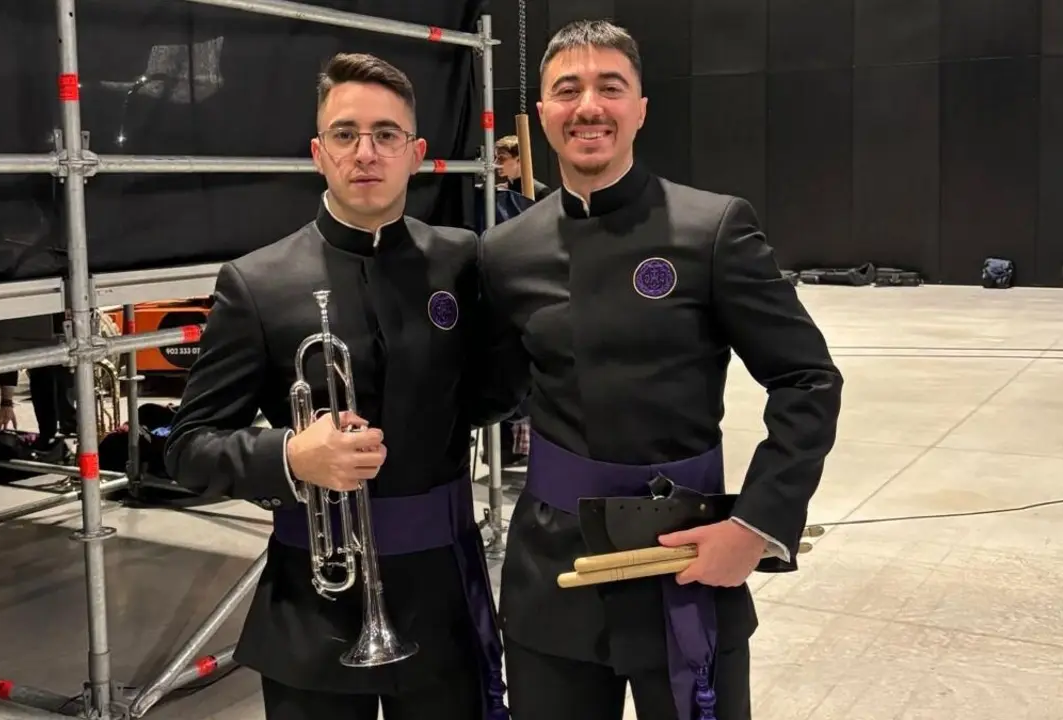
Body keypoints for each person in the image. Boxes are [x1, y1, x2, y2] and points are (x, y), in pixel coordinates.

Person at [477, 20, 844, 720]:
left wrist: (757, 526)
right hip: (553, 571)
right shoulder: (505, 252)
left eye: (610, 87)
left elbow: (808, 379)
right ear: (545, 114)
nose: (589, 106)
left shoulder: (712, 230)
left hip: (687, 562)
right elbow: (488, 392)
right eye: (567, 90)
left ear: (640, 107)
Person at [164, 52, 521, 720]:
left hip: (444, 599)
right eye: (345, 134)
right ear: (318, 152)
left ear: (415, 154)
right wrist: (289, 457)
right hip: (313, 612)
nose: (366, 152)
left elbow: (492, 393)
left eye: (386, 135)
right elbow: (188, 450)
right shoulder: (256, 283)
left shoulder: (461, 260)